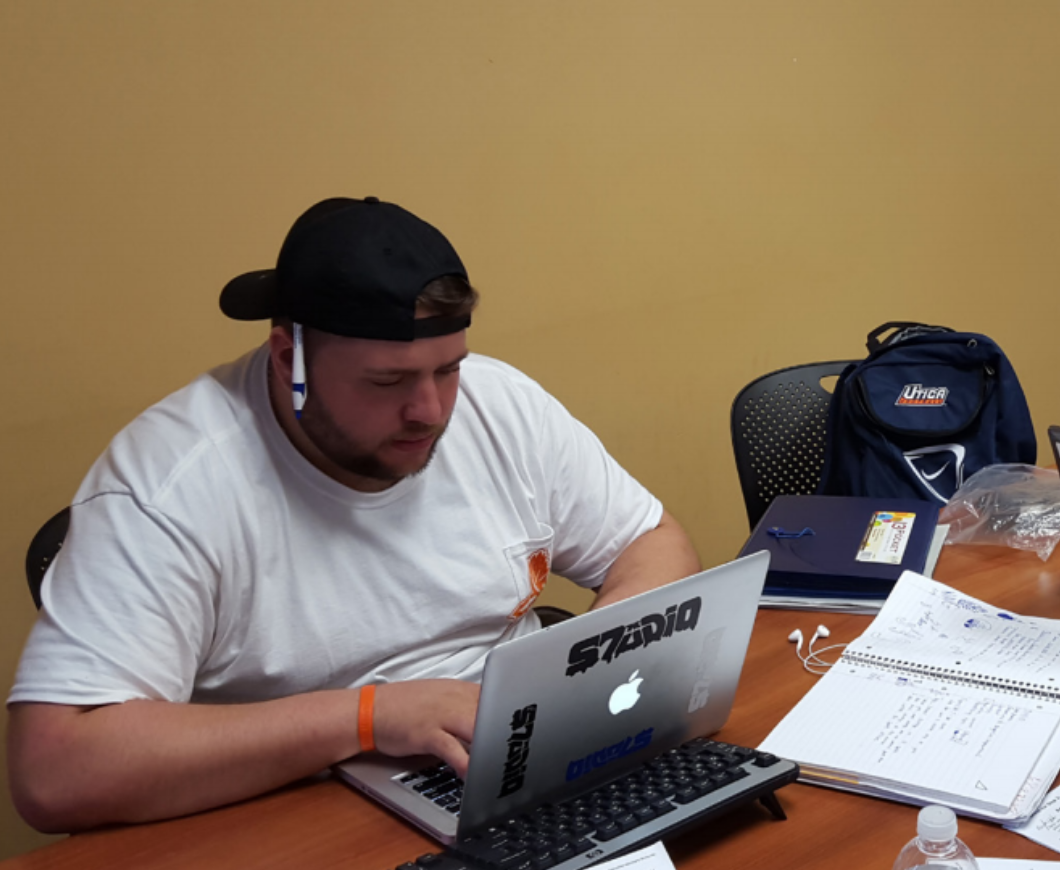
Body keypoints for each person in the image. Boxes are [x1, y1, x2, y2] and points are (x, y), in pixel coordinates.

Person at [7, 197, 700, 833]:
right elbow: (55, 770)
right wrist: (371, 715)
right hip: (290, 818)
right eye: (388, 381)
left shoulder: (500, 406)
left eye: (447, 369)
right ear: (289, 358)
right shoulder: (170, 486)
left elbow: (651, 541)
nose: (430, 412)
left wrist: (580, 680)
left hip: (509, 773)